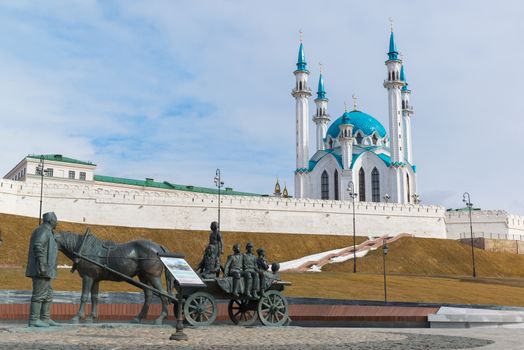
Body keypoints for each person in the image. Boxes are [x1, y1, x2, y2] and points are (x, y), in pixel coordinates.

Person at [25, 212, 60, 327]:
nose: (57, 222)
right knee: (39, 294)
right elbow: (38, 246)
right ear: (50, 221)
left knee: (48, 294)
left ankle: (45, 318)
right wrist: (41, 263)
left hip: (46, 270)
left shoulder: (48, 232)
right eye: (55, 220)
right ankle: (34, 319)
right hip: (41, 269)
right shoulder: (43, 230)